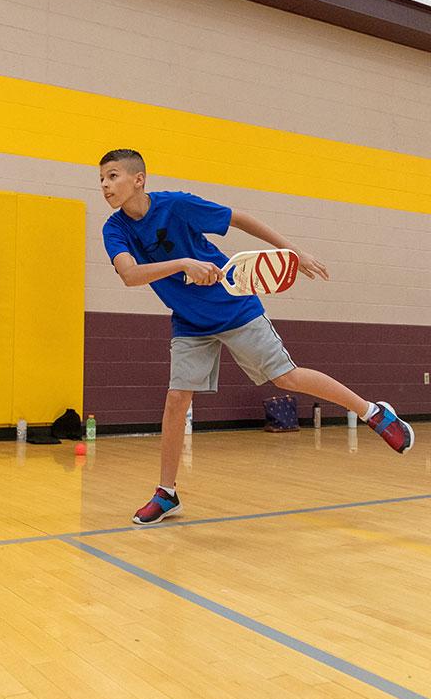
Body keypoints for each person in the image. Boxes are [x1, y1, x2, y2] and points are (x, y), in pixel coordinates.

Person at [98, 149, 414, 525]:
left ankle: (373, 412)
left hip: (234, 305)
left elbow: (240, 219)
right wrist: (185, 264)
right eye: (101, 179)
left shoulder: (177, 206)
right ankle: (167, 494)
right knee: (176, 399)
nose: (105, 185)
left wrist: (293, 250)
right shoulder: (114, 229)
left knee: (287, 377)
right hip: (189, 320)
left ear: (139, 179)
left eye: (113, 176)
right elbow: (130, 275)